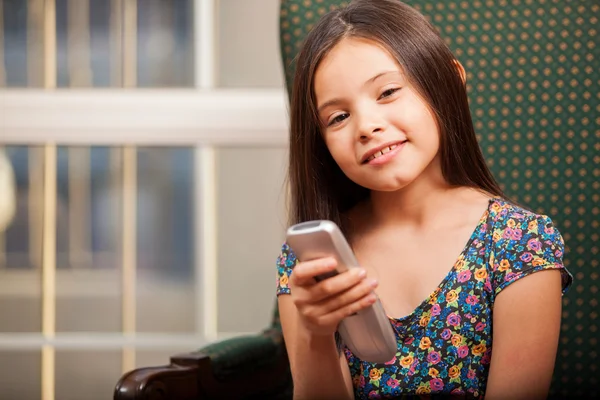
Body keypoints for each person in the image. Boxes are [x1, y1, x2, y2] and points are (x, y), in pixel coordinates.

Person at [275, 0, 573, 399]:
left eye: (388, 92)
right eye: (338, 117)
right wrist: (314, 334)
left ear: (449, 80)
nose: (367, 126)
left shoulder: (518, 242)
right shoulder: (313, 265)